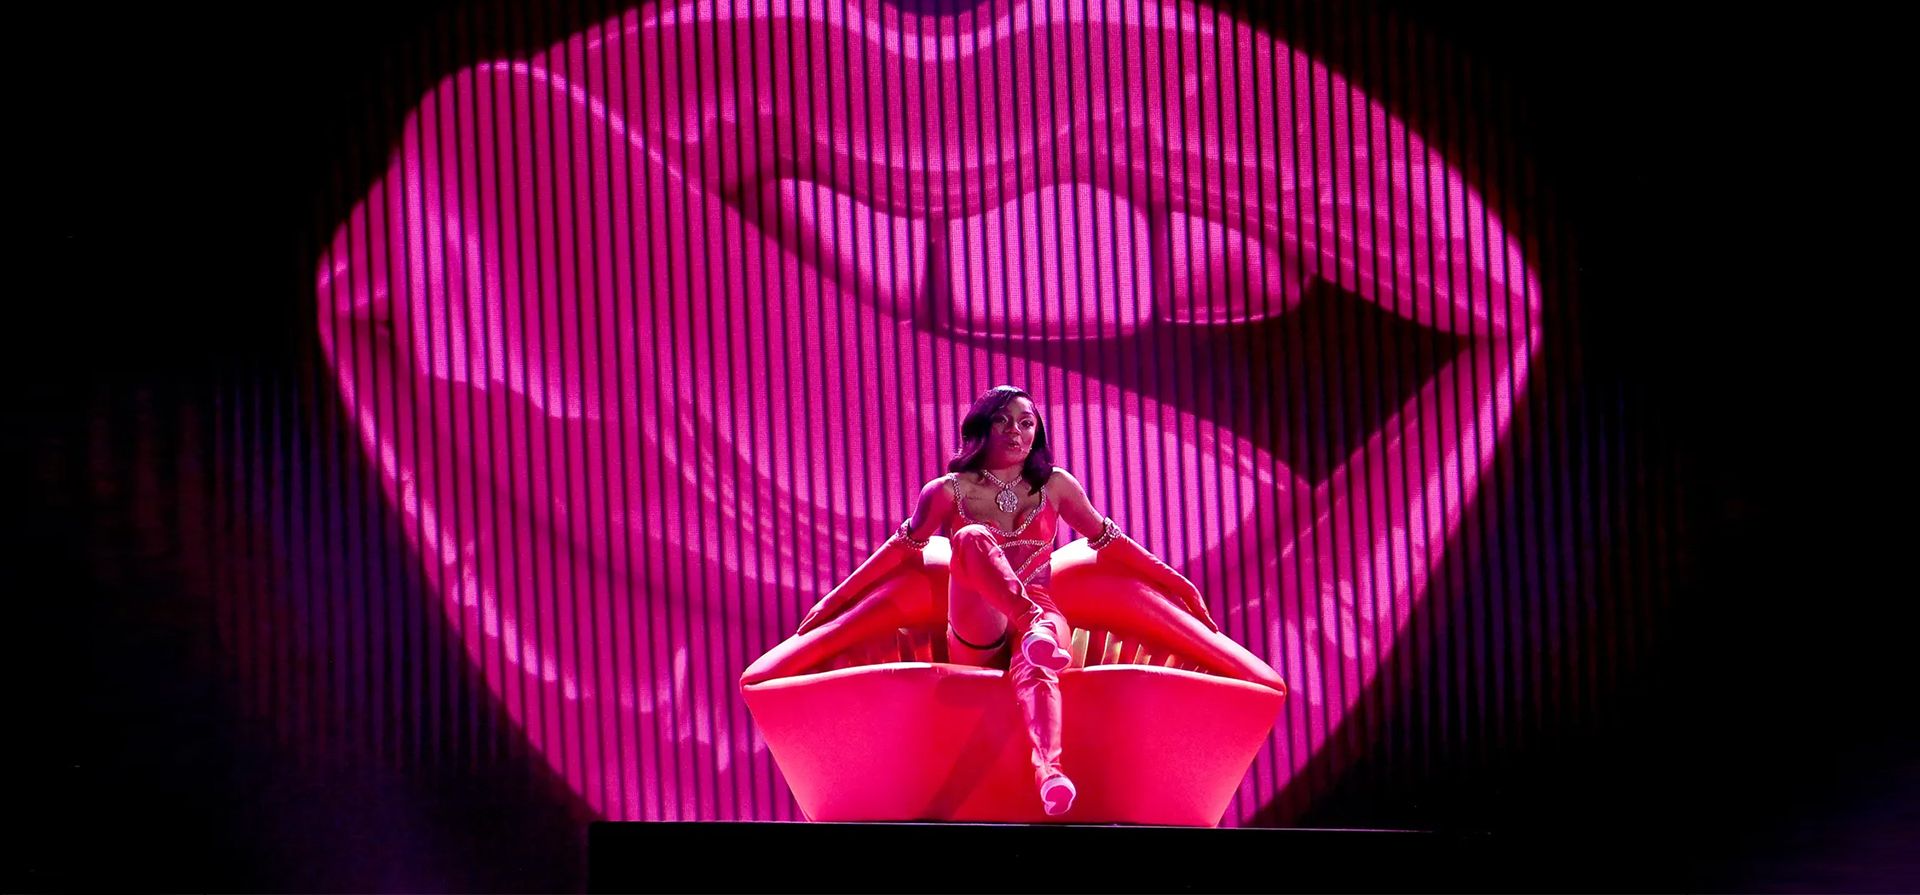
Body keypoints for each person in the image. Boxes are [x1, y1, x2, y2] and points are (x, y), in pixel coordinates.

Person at [795, 385, 1218, 816]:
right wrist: (832, 602)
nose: (1015, 431)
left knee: (1040, 655)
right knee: (971, 538)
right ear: (982, 426)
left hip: (1042, 614)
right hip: (979, 621)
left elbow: (1111, 542)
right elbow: (897, 550)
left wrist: (1180, 585)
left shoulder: (1055, 485)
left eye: (1026, 422)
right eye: (1003, 420)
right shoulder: (947, 491)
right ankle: (1030, 622)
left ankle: (1050, 771)